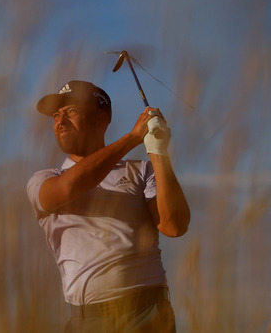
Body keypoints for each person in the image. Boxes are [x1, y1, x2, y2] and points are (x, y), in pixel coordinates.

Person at [26, 80, 190, 333]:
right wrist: (133, 138)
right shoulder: (45, 178)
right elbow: (66, 190)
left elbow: (174, 225)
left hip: (146, 315)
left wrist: (158, 151)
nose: (60, 121)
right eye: (56, 115)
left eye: (71, 111)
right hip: (88, 320)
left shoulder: (140, 170)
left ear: (101, 119)